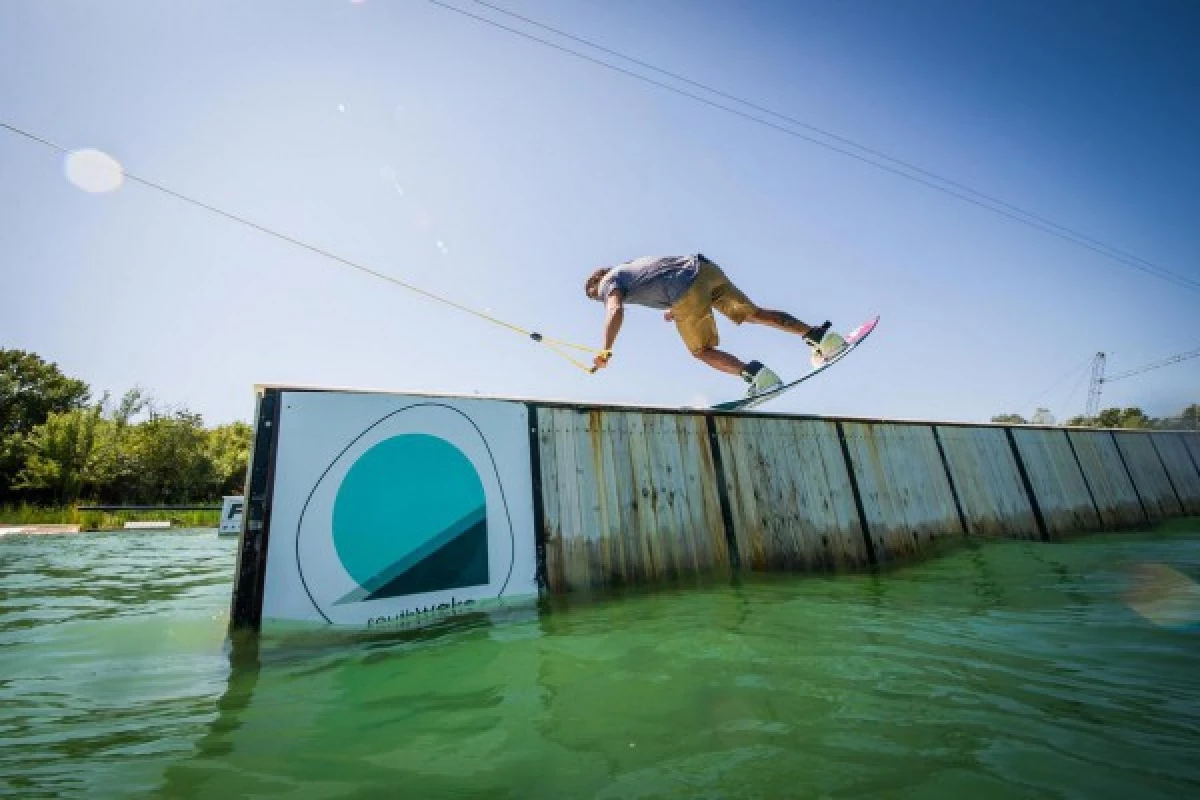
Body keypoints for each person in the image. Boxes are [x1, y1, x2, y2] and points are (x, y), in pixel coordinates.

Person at [584, 253, 842, 398]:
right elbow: (661, 275)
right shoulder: (628, 266)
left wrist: (605, 349)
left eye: (597, 297)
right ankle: (821, 337)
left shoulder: (608, 282)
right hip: (704, 269)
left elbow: (615, 309)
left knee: (701, 351)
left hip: (684, 289)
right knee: (753, 314)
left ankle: (758, 376)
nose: (602, 299)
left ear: (597, 285)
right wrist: (677, 309)